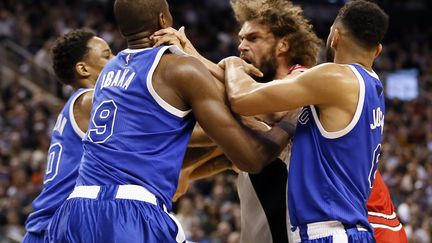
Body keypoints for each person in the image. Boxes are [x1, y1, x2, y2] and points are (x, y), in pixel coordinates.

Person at [47, 0, 294, 242]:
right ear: (163, 21)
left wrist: (200, 165)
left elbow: (150, 144)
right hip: (131, 214)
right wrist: (290, 122)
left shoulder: (108, 74)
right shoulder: (178, 69)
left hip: (72, 214)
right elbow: (251, 158)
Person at [151, 0, 321, 242]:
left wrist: (192, 54)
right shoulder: (254, 107)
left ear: (284, 44)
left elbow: (263, 107)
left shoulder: (305, 79)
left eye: (253, 38)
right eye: (241, 39)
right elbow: (227, 136)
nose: (241, 46)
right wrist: (187, 170)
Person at [220, 0, 389, 242]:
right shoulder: (374, 87)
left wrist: (233, 64)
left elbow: (241, 98)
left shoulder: (333, 77)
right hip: (352, 230)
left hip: (328, 231)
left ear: (335, 38)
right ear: (378, 50)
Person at [23, 29, 113, 242]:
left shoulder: (78, 104)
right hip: (58, 226)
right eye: (107, 55)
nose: (117, 60)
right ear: (83, 69)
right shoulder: (91, 101)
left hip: (54, 226)